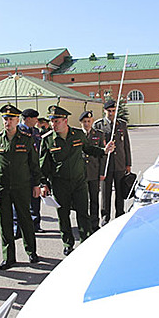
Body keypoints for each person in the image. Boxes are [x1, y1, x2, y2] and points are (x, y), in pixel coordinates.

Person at [40, 105, 115, 256]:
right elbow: (43, 165)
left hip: (79, 182)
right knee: (63, 215)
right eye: (52, 121)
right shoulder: (48, 140)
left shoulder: (78, 135)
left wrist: (104, 151)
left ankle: (85, 240)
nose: (53, 124)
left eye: (57, 121)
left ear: (65, 121)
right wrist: (43, 184)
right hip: (60, 183)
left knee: (83, 213)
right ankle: (68, 243)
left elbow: (89, 149)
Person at [0, 104, 42, 270]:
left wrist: (36, 184)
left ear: (17, 120)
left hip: (22, 185)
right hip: (2, 186)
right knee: (4, 221)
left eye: (11, 119)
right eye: (5, 119)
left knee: (25, 218)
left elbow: (34, 165)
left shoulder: (27, 139)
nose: (8, 122)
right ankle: (9, 257)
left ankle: (31, 252)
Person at [93, 100, 132, 227]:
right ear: (104, 111)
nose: (111, 113)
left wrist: (128, 163)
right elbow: (95, 146)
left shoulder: (121, 124)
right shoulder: (99, 125)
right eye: (109, 111)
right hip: (106, 165)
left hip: (120, 163)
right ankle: (105, 217)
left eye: (113, 111)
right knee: (106, 192)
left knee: (120, 192)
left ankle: (120, 214)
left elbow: (126, 145)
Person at [79, 111, 106, 232]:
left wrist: (102, 172)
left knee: (94, 199)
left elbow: (103, 155)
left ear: (92, 122)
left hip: (94, 172)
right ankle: (85, 225)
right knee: (82, 201)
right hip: (81, 173)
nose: (87, 124)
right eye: (84, 122)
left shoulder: (99, 135)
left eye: (89, 121)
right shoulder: (78, 135)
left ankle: (94, 224)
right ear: (81, 123)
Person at [18, 108, 44, 232]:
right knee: (21, 200)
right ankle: (19, 227)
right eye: (35, 118)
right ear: (28, 119)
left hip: (35, 169)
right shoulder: (18, 131)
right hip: (22, 170)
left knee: (35, 198)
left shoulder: (36, 131)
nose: (37, 121)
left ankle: (35, 224)